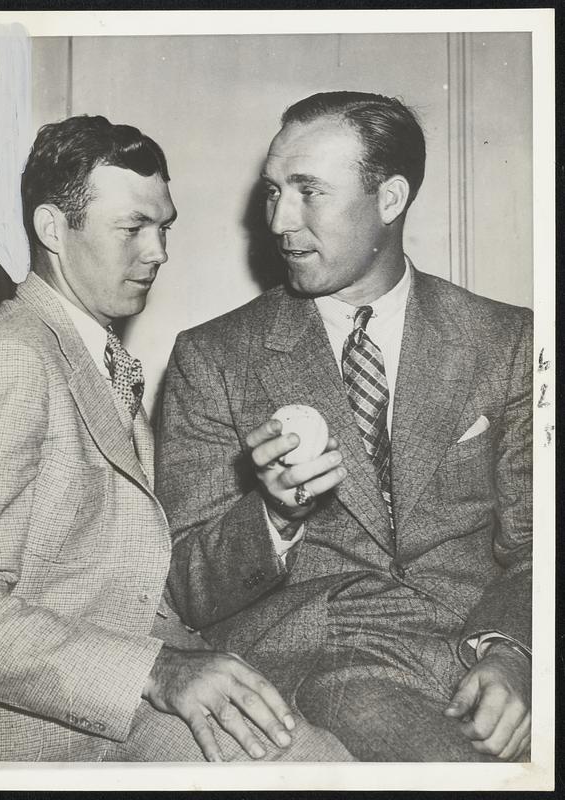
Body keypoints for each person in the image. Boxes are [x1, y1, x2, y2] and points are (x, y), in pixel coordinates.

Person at [0, 114, 354, 763]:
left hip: (127, 698)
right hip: (53, 737)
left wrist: (273, 512)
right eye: (133, 228)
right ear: (53, 228)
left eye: (164, 226)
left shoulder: (96, 356)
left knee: (326, 759)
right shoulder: (8, 358)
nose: (159, 252)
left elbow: (134, 580)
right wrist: (158, 671)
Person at [156, 92, 533, 762]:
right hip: (324, 659)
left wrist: (514, 655)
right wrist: (272, 512)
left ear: (390, 199)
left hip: (479, 646)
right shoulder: (211, 357)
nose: (278, 219)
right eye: (274, 191)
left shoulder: (509, 341)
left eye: (309, 192)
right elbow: (183, 583)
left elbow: (542, 544)